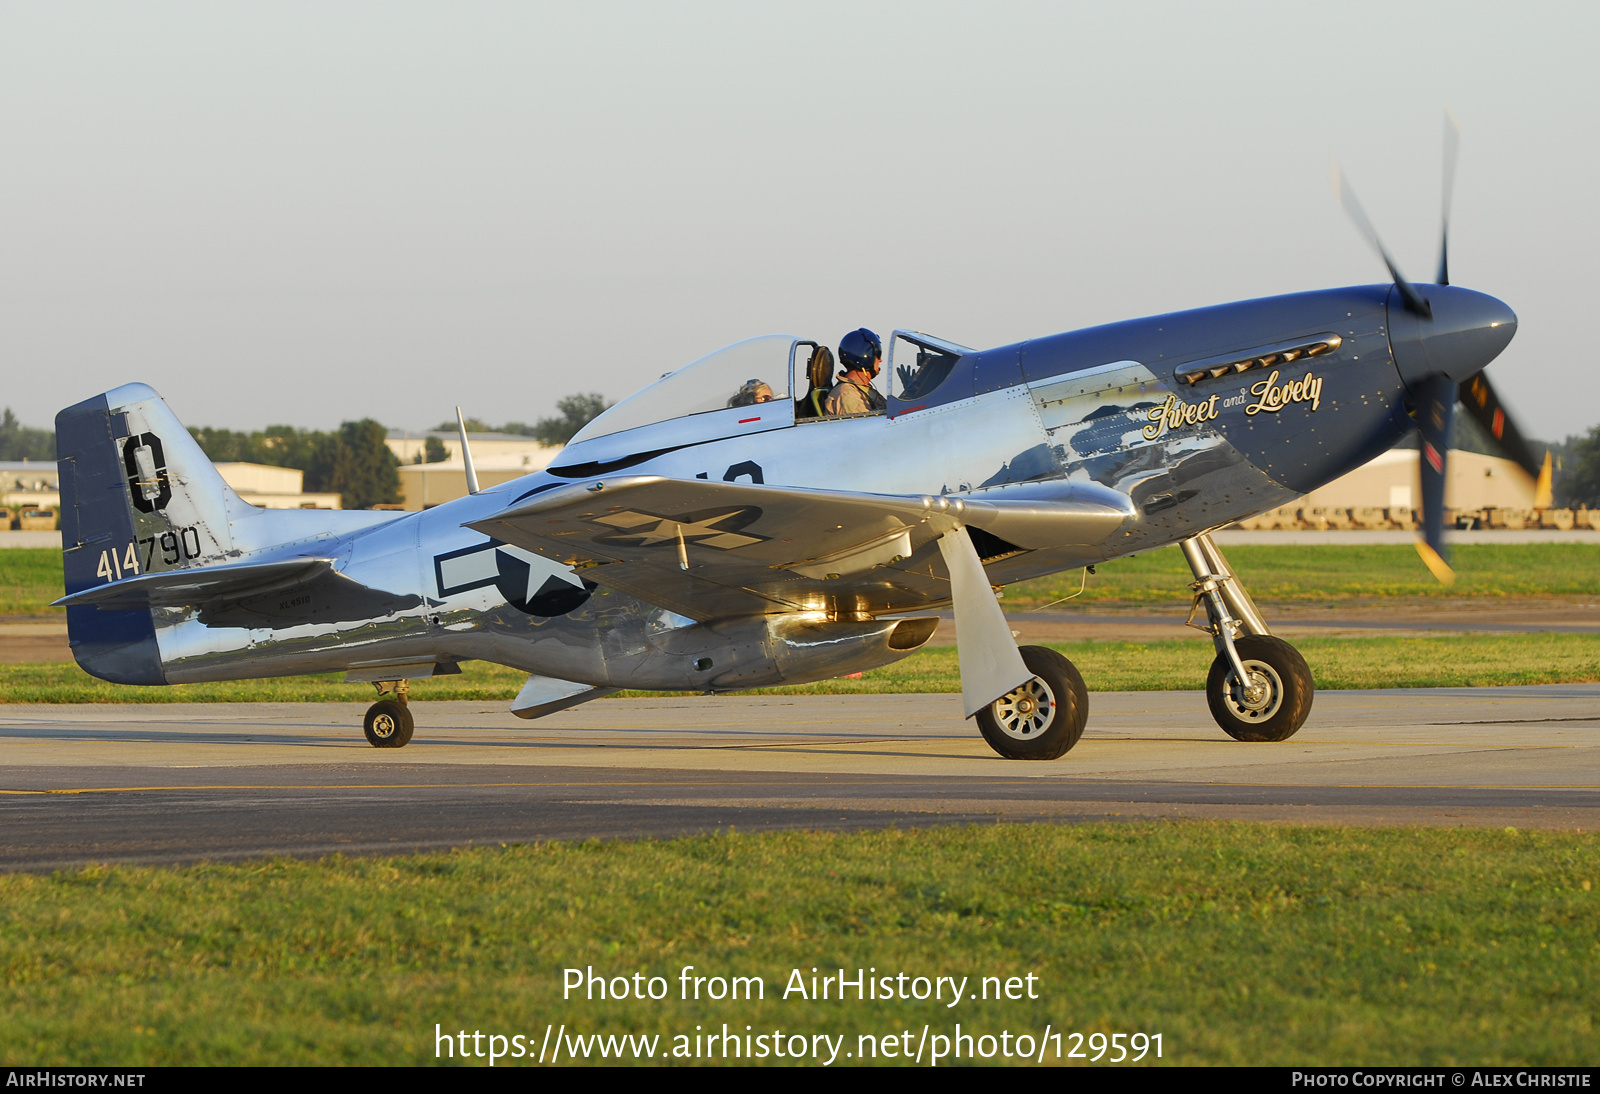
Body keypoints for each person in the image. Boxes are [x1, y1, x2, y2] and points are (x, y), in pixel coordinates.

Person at [825, 328, 887, 416]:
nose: (880, 360)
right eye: (877, 355)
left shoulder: (862, 389)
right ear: (866, 357)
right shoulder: (848, 394)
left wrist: (908, 393)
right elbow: (865, 426)